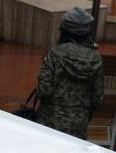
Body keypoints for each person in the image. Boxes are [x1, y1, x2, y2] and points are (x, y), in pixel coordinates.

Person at [34, 7, 104, 140]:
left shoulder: (55, 54)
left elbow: (43, 91)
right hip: (79, 126)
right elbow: (98, 97)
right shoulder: (96, 59)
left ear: (64, 30)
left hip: (49, 123)